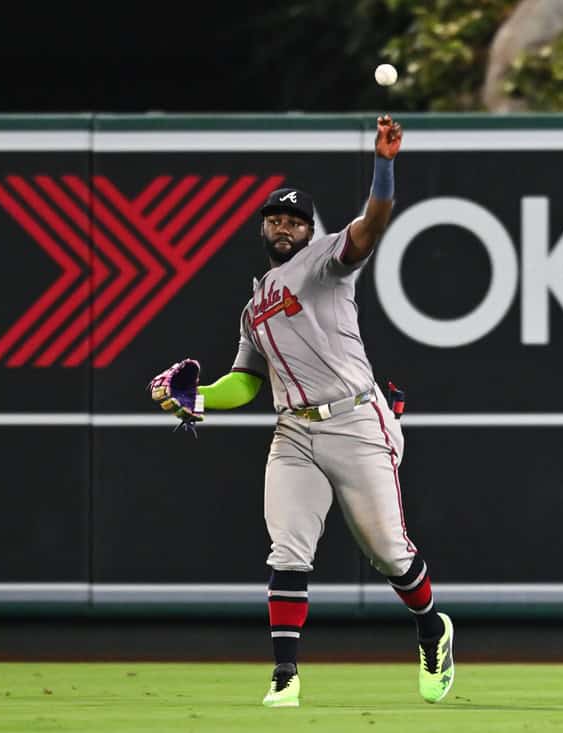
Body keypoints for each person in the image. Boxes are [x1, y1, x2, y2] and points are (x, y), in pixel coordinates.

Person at [150, 115, 453, 708]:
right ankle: (284, 675)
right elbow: (244, 383)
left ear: (310, 229)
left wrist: (384, 165)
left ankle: (429, 627)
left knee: (389, 552)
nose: (283, 227)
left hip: (355, 422)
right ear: (263, 229)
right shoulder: (253, 304)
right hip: (293, 431)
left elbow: (371, 226)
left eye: (293, 220)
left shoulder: (322, 260)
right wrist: (198, 398)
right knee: (288, 549)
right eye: (275, 219)